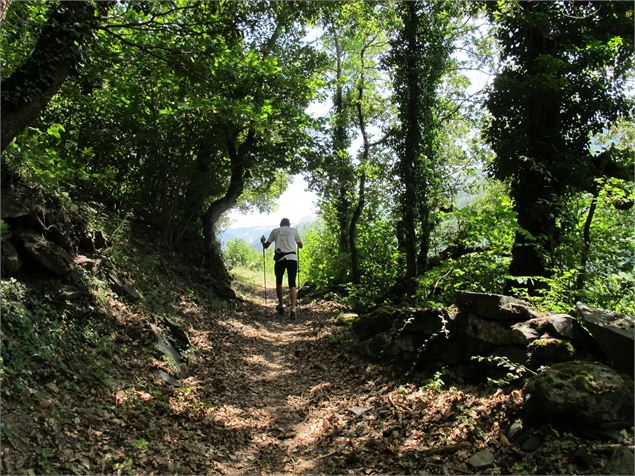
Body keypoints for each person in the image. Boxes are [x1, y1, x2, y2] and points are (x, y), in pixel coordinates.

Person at [260, 218, 303, 318]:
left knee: (279, 281)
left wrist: (263, 241)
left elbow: (266, 246)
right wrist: (298, 245)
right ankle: (293, 309)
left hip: (280, 259)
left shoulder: (275, 231)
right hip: (292, 258)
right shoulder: (294, 231)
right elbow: (300, 245)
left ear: (281, 224)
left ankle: (281, 305)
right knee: (292, 283)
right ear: (289, 224)